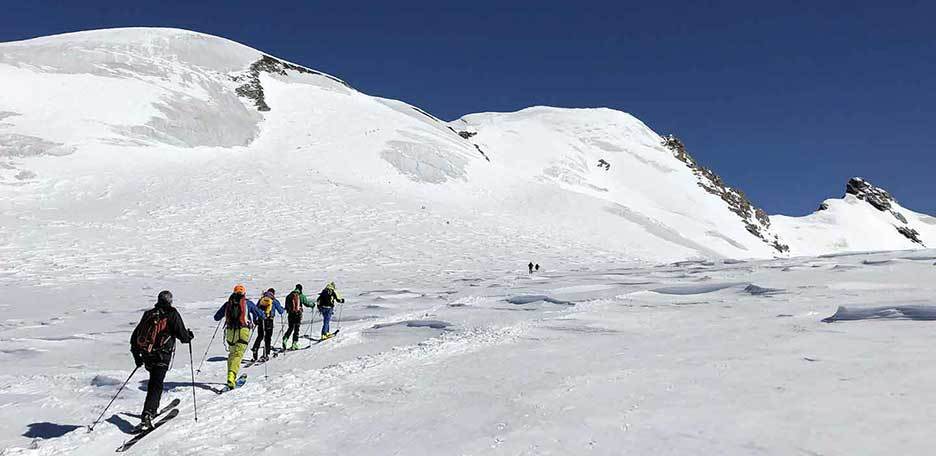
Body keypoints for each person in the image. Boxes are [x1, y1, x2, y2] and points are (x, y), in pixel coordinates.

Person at [130, 290, 193, 432]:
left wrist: (137, 358)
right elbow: (182, 336)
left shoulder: (149, 314)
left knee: (154, 382)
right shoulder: (172, 314)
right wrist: (189, 336)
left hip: (147, 356)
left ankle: (151, 409)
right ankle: (149, 412)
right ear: (170, 301)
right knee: (156, 384)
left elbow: (135, 338)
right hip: (162, 355)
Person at [213, 284, 262, 389]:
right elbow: (260, 314)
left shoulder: (228, 304)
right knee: (238, 355)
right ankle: (231, 375)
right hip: (243, 331)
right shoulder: (247, 303)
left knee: (232, 354)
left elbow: (216, 317)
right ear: (244, 293)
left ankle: (230, 376)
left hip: (230, 332)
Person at [251, 288, 284, 361]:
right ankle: (266, 354)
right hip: (269, 321)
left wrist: (255, 320)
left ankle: (255, 348)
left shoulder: (261, 300)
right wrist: (283, 308)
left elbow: (256, 309)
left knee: (260, 336)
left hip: (260, 320)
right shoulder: (274, 301)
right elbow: (281, 311)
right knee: (268, 338)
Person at [282, 284, 313, 350]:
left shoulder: (289, 296)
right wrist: (312, 305)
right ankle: (294, 344)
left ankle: (285, 339)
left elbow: (286, 307)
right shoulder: (301, 296)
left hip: (290, 314)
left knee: (290, 328)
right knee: (296, 329)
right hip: (298, 315)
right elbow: (307, 303)